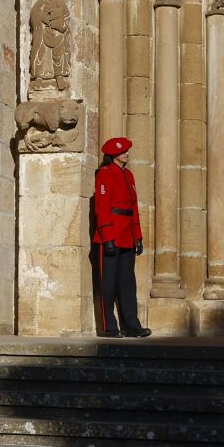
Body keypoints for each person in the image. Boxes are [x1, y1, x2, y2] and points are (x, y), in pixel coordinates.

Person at [92, 137, 150, 338]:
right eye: (123, 151)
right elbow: (102, 207)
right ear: (113, 155)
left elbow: (133, 208)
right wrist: (107, 236)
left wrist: (138, 237)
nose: (127, 154)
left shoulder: (129, 176)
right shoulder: (105, 174)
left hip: (126, 236)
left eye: (127, 151)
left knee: (127, 282)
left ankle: (131, 325)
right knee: (108, 283)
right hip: (111, 235)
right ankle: (109, 326)